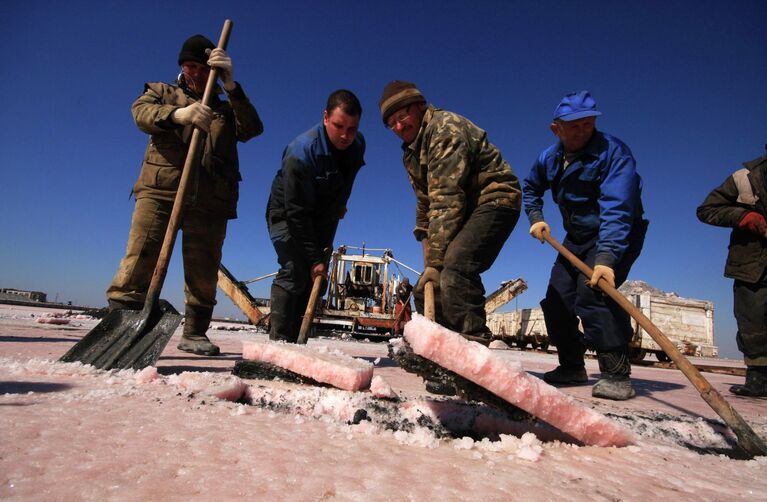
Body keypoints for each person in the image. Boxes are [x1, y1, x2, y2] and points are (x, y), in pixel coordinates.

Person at [106, 34, 264, 356]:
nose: (195, 73)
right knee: (140, 259)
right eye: (189, 66)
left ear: (214, 71)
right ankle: (121, 324)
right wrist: (180, 115)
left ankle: (194, 332)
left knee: (204, 272)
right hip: (160, 191)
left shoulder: (226, 107)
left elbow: (252, 129)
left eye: (202, 68)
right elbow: (141, 114)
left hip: (210, 201)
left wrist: (233, 87)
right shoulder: (162, 92)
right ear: (181, 66)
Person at [522, 91, 648, 400]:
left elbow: (618, 208)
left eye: (589, 124)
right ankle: (571, 366)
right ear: (557, 129)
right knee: (557, 298)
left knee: (594, 291)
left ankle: (617, 374)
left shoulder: (613, 153)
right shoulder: (549, 158)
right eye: (575, 126)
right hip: (577, 236)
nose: (583, 131)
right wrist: (536, 217)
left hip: (618, 231)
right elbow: (530, 187)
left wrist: (606, 258)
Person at [379, 81, 521, 341]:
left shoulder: (444, 129)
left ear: (421, 106)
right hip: (462, 209)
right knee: (425, 288)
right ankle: (441, 351)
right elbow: (425, 202)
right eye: (392, 124)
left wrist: (436, 262)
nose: (399, 127)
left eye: (402, 116)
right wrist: (425, 242)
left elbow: (447, 198)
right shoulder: (411, 154)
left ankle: (472, 347)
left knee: (457, 265)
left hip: (494, 199)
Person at [266, 90, 366, 343]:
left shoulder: (357, 144)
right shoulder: (300, 152)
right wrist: (314, 259)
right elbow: (296, 213)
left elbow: (350, 176)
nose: (345, 135)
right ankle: (279, 343)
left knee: (316, 282)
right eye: (339, 126)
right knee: (295, 269)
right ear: (325, 118)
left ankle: (298, 342)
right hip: (288, 214)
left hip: (323, 214)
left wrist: (340, 203)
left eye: (352, 129)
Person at [696, 147, 767, 397]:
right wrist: (743, 216)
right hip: (752, 265)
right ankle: (758, 378)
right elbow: (706, 209)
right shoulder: (744, 178)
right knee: (753, 319)